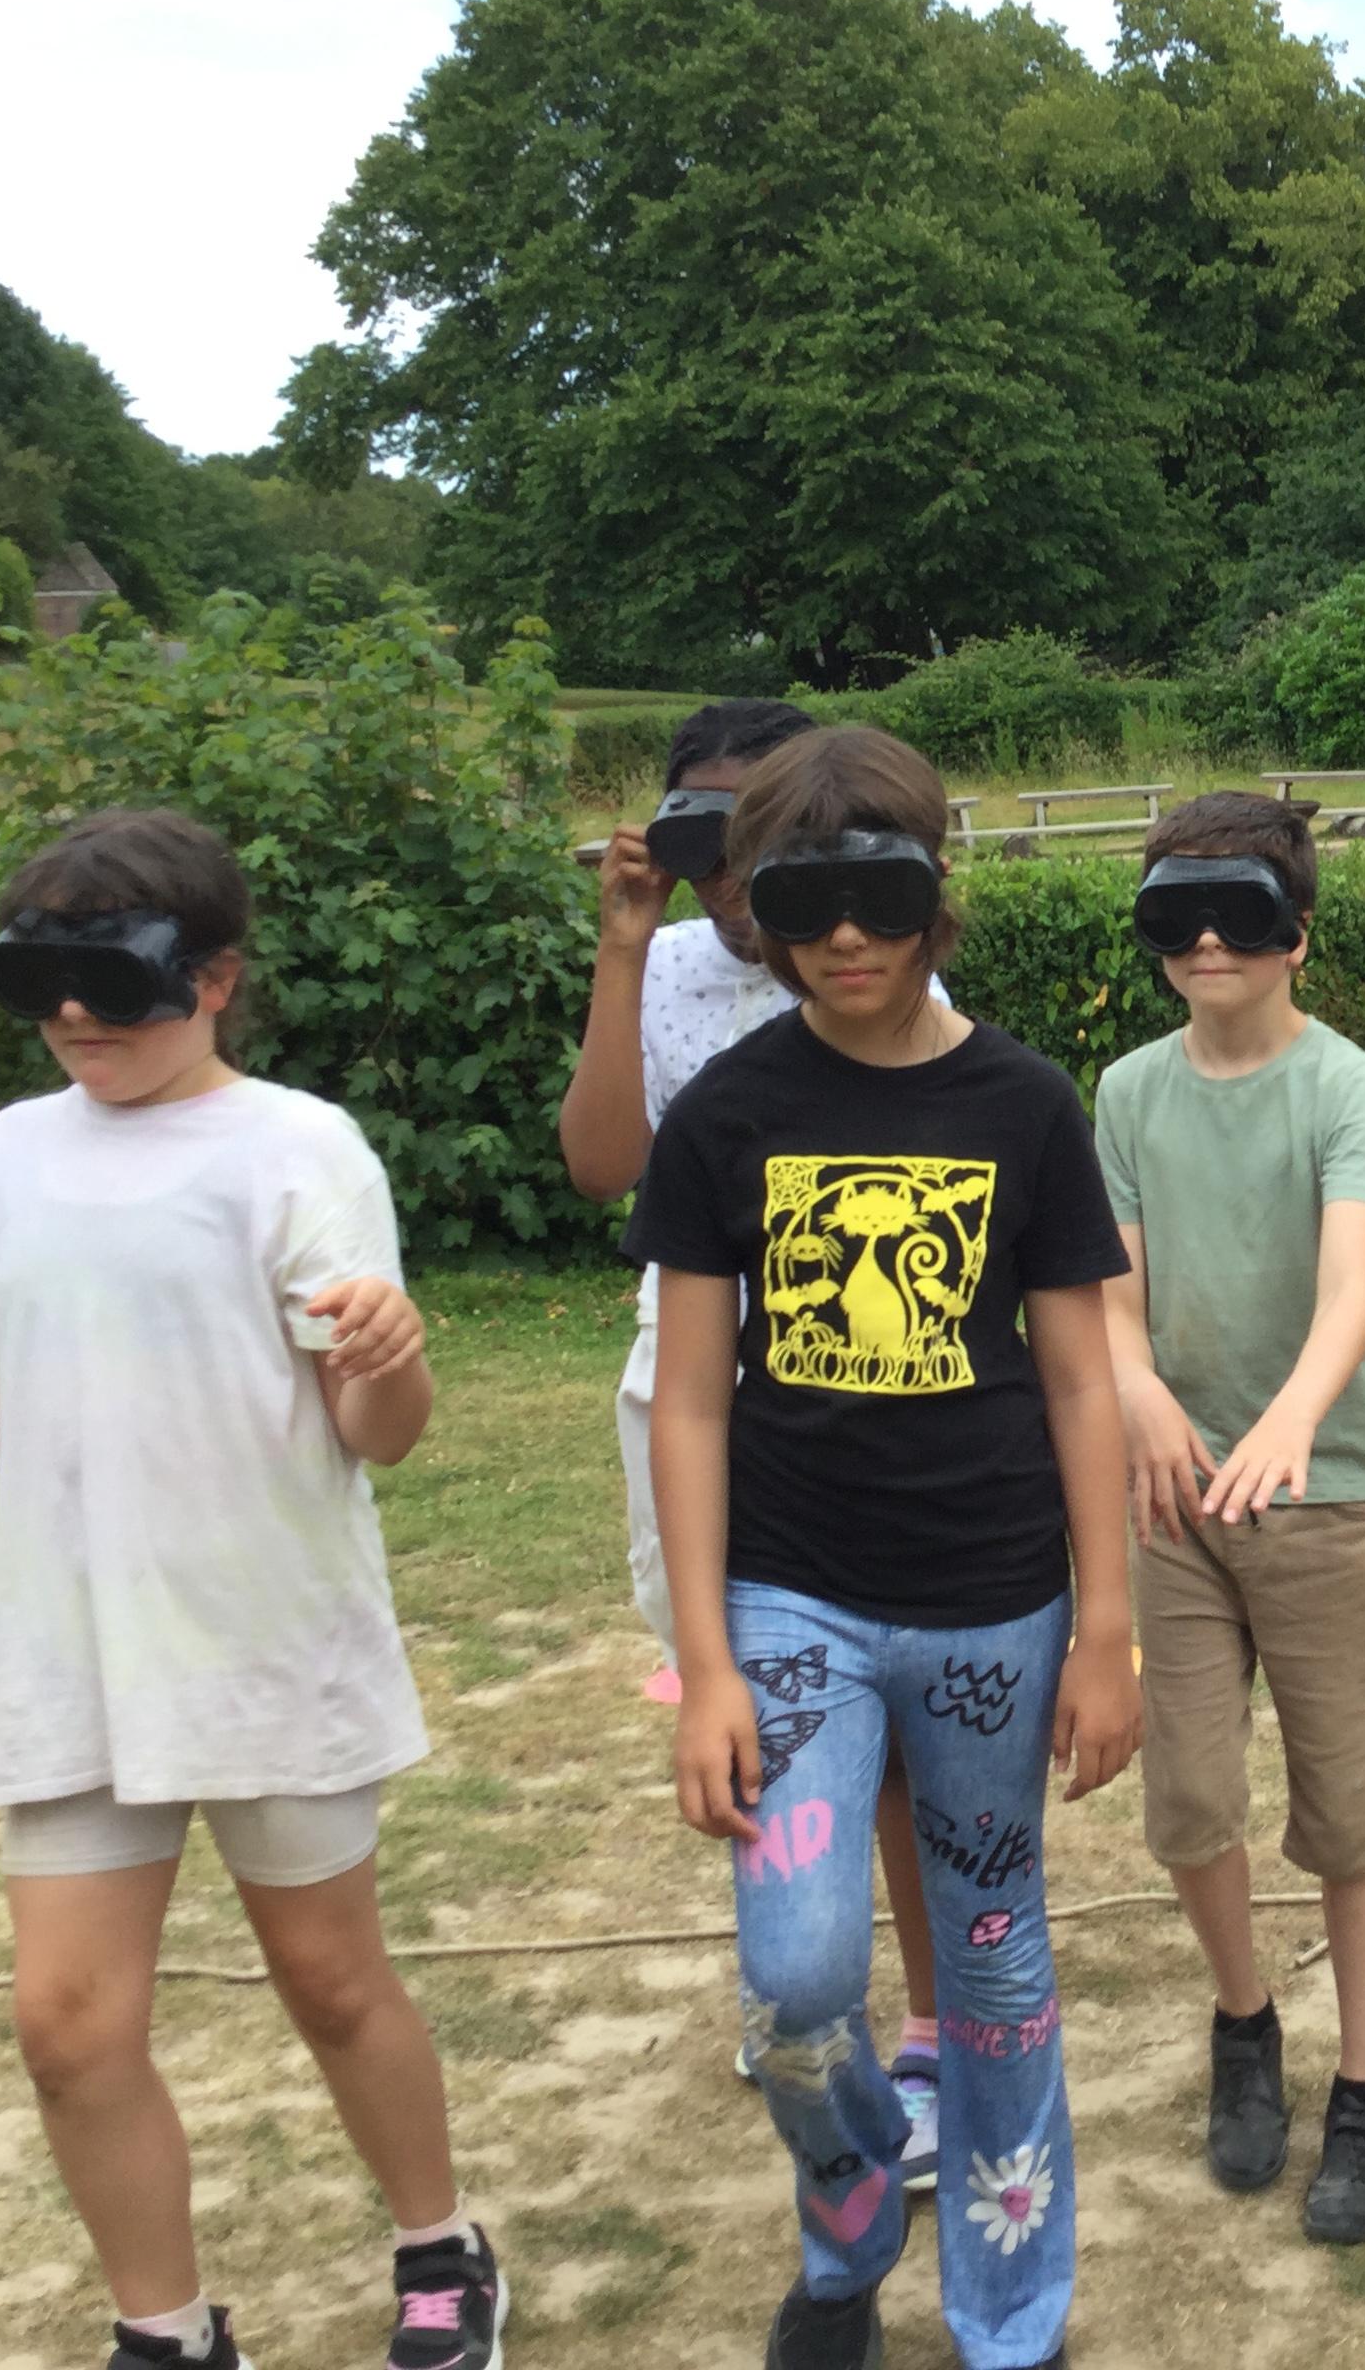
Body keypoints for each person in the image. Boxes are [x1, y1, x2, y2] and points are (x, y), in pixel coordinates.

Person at [0, 809, 505, 2370]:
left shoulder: (298, 1147)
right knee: (67, 2029)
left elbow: (377, 1434)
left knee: (331, 1981)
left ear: (215, 977)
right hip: (71, 1652)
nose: (78, 1015)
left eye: (118, 979)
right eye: (44, 982)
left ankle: (440, 2246)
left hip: (265, 1641)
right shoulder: (10, 1155)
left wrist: (392, 1356)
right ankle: (165, 2329)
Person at [629, 725, 1141, 2370]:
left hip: (995, 1602)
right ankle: (849, 2206)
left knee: (991, 1967)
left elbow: (1080, 1376)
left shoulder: (1024, 1104)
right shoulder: (727, 1112)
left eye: (881, 897)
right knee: (795, 1977)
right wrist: (705, 1659)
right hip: (794, 1600)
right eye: (804, 904)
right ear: (753, 909)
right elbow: (689, 1400)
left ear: (935, 892)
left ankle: (1009, 2308)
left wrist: (1109, 1629)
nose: (845, 939)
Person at [558, 697, 949, 2190]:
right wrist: (619, 950)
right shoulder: (662, 966)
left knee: (893, 1727)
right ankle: (803, 1983)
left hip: (854, 1382)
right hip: (691, 1374)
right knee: (752, 1715)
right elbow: (604, 1164)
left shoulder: (865, 948)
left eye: (757, 836)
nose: (730, 869)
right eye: (701, 835)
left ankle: (927, 2020)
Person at [1096, 793, 1365, 2243]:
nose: (1210, 942)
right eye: (1178, 915)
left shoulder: (1343, 1083)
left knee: (1346, 1805)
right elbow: (1113, 1298)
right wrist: (1141, 1397)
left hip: (1320, 1492)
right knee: (1188, 1799)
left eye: (1242, 912)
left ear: (1299, 934)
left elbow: (1350, 1282)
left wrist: (1291, 1419)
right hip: (1173, 1496)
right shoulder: (1125, 1094)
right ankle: (1245, 2022)